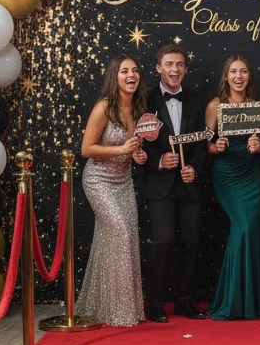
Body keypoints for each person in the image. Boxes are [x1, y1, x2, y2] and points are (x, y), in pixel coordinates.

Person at [76, 56, 148, 327]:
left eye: (135, 70)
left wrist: (137, 156)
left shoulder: (139, 109)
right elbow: (86, 149)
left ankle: (112, 306)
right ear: (114, 77)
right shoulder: (104, 108)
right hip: (99, 180)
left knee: (124, 238)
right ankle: (116, 310)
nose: (131, 75)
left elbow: (134, 149)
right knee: (119, 231)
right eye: (124, 71)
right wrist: (121, 150)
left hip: (124, 181)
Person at [141, 43, 207, 322]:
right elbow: (139, 143)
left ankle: (184, 300)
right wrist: (158, 161)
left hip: (188, 183)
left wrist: (194, 167)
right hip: (159, 184)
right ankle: (156, 302)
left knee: (192, 240)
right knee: (164, 241)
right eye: (169, 64)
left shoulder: (195, 100)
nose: (175, 69)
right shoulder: (144, 100)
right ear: (159, 68)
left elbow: (203, 143)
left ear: (186, 69)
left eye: (180, 65)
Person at [205, 55, 260, 320]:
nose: (238, 76)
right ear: (226, 76)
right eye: (233, 71)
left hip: (252, 175)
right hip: (228, 176)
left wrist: (259, 146)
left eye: (243, 71)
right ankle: (233, 300)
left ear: (249, 77)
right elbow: (205, 144)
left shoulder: (257, 106)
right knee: (242, 226)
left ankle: (254, 301)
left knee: (252, 228)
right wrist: (215, 147)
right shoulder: (215, 106)